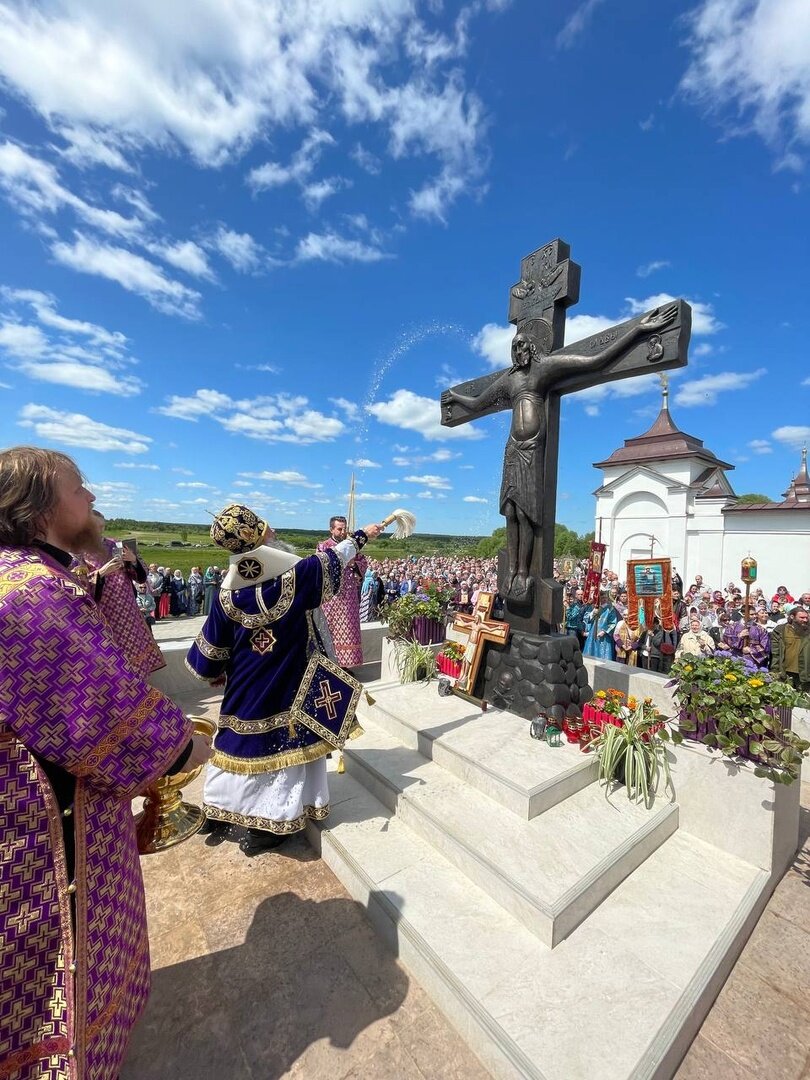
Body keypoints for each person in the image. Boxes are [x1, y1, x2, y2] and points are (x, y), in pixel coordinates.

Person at [0, 446, 211, 1080]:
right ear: (37, 509)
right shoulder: (32, 595)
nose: (90, 497)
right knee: (52, 968)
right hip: (38, 821)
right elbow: (105, 712)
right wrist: (186, 746)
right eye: (78, 487)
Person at [442, 303, 678, 603]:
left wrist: (637, 330)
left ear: (531, 347)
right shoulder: (511, 380)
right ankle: (512, 569)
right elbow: (478, 402)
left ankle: (525, 572)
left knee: (526, 513)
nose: (517, 351)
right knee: (511, 512)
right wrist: (455, 396)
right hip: (513, 450)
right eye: (513, 348)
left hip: (532, 450)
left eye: (521, 345)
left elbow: (594, 360)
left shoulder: (544, 368)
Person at [187, 504, 383, 855]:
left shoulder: (227, 595)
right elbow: (337, 557)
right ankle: (270, 827)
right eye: (268, 530)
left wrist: (219, 671)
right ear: (259, 540)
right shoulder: (299, 576)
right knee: (286, 752)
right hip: (290, 686)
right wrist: (363, 534)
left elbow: (207, 660)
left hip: (245, 688)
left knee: (235, 745)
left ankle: (221, 809)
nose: (274, 532)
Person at [73, 513, 165, 680]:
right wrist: (101, 573)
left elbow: (140, 577)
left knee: (134, 649)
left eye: (102, 527)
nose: (100, 532)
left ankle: (138, 687)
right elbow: (76, 585)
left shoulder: (115, 544)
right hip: (104, 613)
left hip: (127, 609)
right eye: (96, 528)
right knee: (112, 656)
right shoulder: (77, 550)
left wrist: (133, 560)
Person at [317, 515, 368, 669]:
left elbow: (363, 563)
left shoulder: (353, 546)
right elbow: (321, 565)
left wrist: (354, 564)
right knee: (330, 629)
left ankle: (345, 667)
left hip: (349, 595)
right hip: (331, 597)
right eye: (339, 529)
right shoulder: (323, 546)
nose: (343, 531)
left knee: (349, 629)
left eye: (344, 528)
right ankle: (332, 665)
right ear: (331, 529)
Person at [770, 606, 810, 692]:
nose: (805, 620)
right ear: (792, 617)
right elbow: (775, 653)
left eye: (806, 617)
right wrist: (775, 670)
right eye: (802, 617)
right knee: (785, 702)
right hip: (785, 673)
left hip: (805, 674)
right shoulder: (780, 631)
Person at [583, 591, 619, 661]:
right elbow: (586, 618)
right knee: (591, 650)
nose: (604, 599)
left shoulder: (610, 608)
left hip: (604, 635)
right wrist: (593, 613)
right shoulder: (594, 606)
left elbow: (613, 622)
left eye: (605, 598)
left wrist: (604, 631)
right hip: (593, 633)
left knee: (603, 653)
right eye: (602, 598)